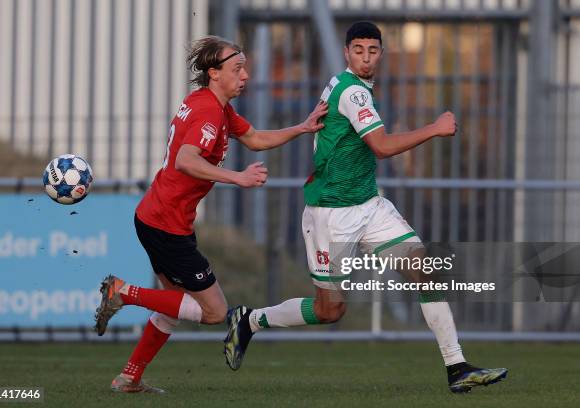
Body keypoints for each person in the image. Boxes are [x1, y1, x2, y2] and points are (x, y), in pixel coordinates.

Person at [223, 21, 508, 394]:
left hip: (369, 205)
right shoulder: (353, 92)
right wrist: (435, 128)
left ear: (381, 54)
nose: (366, 57)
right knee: (330, 311)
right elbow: (383, 146)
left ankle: (457, 367)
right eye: (358, 50)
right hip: (331, 212)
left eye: (372, 51)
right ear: (346, 53)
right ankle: (251, 320)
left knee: (425, 270)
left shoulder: (349, 86)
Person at [93, 35, 327, 393]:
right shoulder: (207, 111)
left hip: (161, 218)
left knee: (175, 309)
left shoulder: (214, 105)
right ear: (214, 73)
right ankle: (124, 293)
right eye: (237, 68)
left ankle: (129, 378)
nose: (245, 75)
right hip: (165, 224)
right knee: (215, 312)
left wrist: (302, 127)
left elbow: (254, 138)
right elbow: (187, 159)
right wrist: (238, 177)